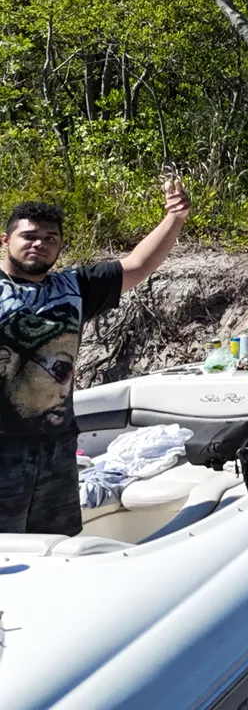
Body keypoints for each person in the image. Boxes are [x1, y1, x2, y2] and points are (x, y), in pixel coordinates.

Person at [0, 184, 189, 535]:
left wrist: (174, 218)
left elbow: (137, 265)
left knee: (59, 549)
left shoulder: (75, 287)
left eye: (50, 238)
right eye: (29, 235)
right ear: (5, 239)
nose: (39, 243)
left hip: (56, 451)